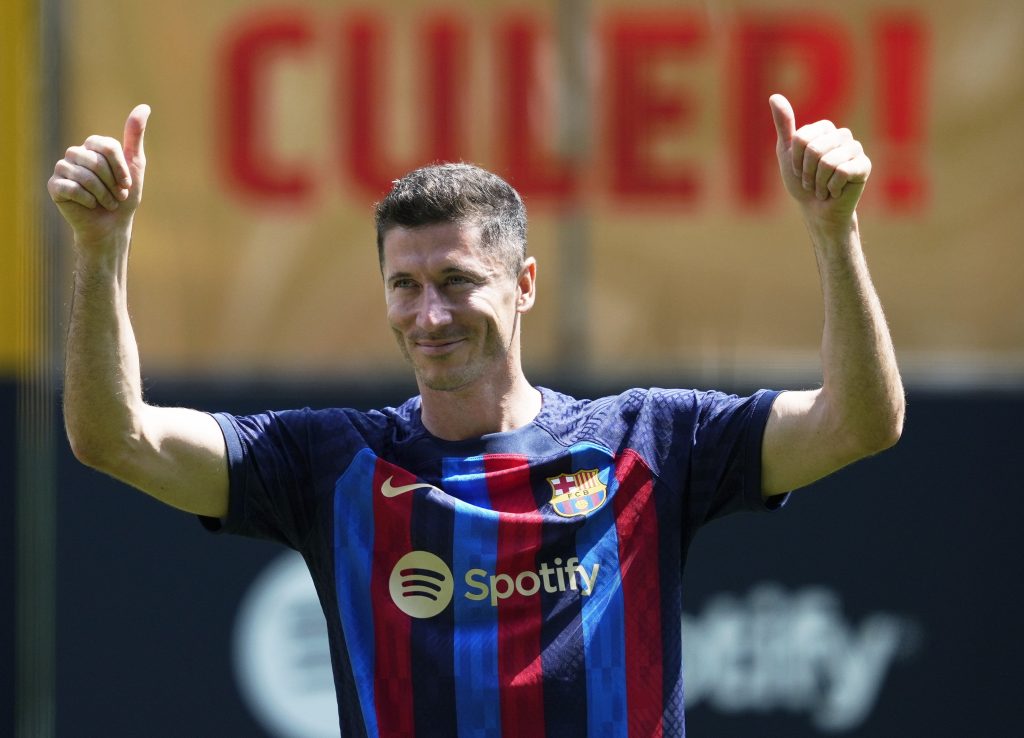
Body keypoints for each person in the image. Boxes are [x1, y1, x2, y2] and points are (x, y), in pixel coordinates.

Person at [49, 94, 904, 737]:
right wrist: (101, 246)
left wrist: (835, 233)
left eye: (457, 281)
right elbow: (116, 436)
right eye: (405, 285)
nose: (430, 315)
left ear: (524, 285)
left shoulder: (650, 442)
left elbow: (858, 424)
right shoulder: (329, 464)